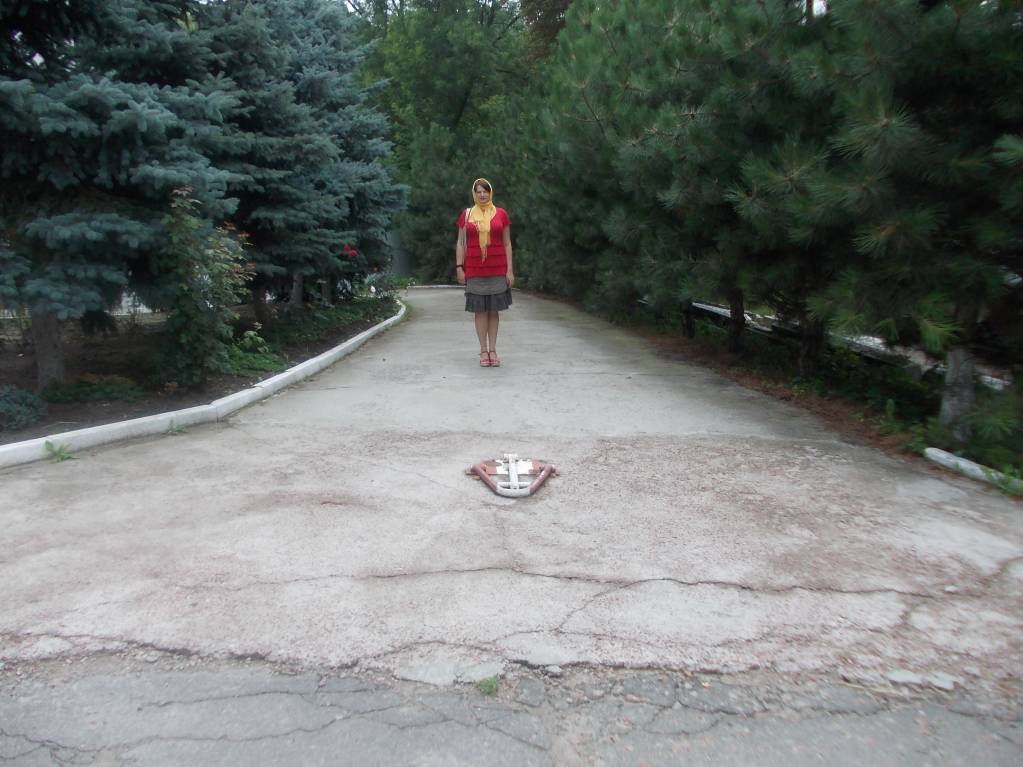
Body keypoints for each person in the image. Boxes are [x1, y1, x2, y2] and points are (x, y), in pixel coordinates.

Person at [455, 178, 514, 367]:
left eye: (485, 191)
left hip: (497, 269)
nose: (482, 195)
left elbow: (507, 243)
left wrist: (510, 270)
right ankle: (483, 351)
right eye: (478, 191)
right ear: (474, 194)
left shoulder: (501, 214)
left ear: (490, 193)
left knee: (493, 311)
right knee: (480, 311)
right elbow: (460, 243)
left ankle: (493, 350)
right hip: (474, 269)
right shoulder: (466, 215)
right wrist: (459, 267)